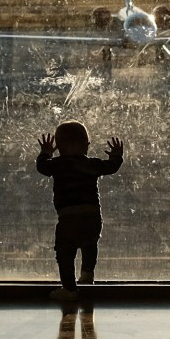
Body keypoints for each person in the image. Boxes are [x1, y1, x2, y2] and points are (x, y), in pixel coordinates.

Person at [36, 121, 123, 300]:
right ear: (87, 146)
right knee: (90, 244)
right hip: (93, 216)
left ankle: (69, 289)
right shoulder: (92, 164)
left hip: (68, 218)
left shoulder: (57, 164)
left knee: (65, 252)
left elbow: (42, 167)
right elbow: (111, 167)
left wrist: (45, 152)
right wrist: (116, 155)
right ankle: (87, 274)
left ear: (57, 146)